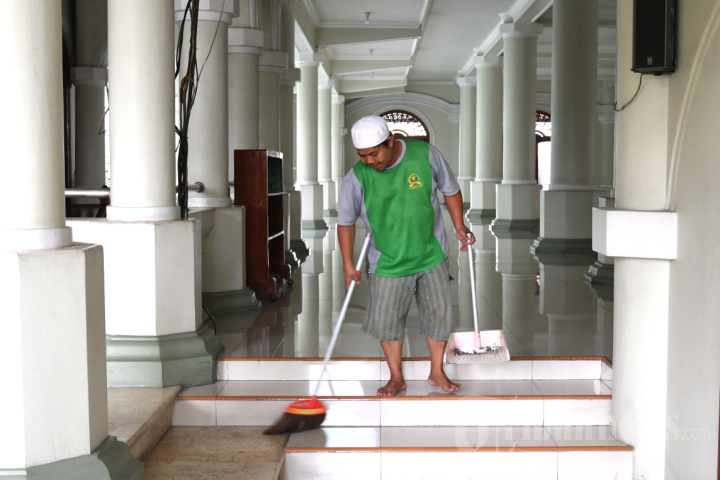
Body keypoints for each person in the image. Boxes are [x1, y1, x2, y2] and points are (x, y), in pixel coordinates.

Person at [337, 115, 475, 397]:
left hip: (431, 253)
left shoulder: (425, 155)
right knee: (387, 320)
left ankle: (437, 371)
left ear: (390, 141)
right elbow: (345, 221)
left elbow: (451, 189)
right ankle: (396, 377)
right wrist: (349, 264)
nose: (369, 161)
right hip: (387, 260)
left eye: (374, 153)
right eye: (362, 155)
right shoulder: (357, 176)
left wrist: (459, 224)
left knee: (438, 315)